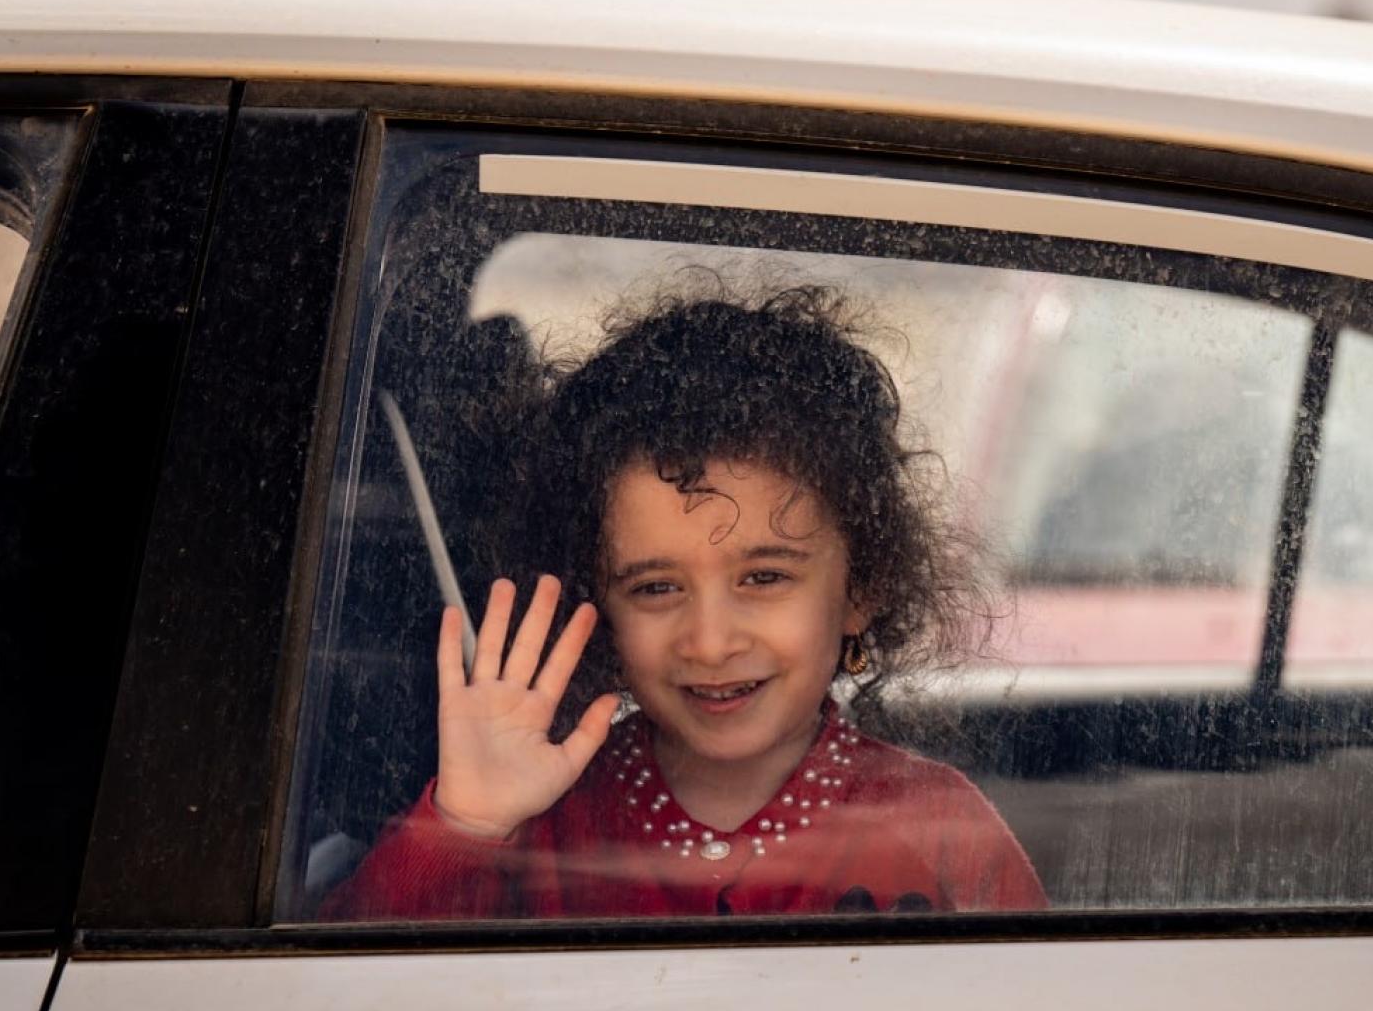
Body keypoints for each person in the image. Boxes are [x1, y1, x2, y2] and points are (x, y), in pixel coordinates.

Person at [322, 284, 1045, 919]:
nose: (710, 641)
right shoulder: (541, 814)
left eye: (763, 577)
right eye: (656, 588)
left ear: (862, 590)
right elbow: (347, 1001)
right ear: (599, 611)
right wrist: (467, 824)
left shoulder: (941, 830)